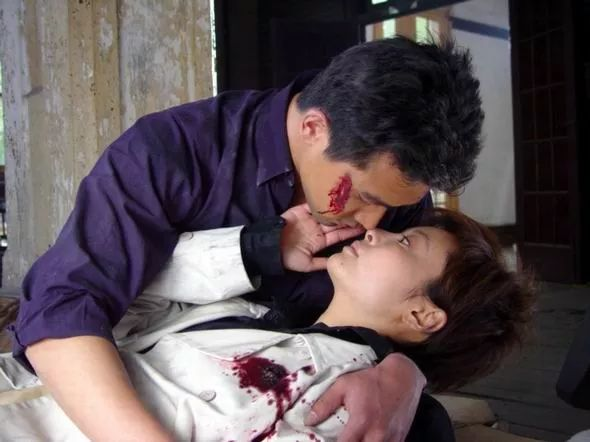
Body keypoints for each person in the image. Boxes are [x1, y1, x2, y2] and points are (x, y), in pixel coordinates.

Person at [9, 36, 484, 441]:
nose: (376, 224)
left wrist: (405, 374)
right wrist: (255, 248)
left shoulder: (394, 195)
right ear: (314, 128)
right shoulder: (172, 152)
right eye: (363, 196)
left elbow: (427, 319)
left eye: (394, 209)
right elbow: (64, 307)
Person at [0, 209, 534, 441]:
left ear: (422, 315)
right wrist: (256, 249)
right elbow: (119, 289)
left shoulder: (346, 399)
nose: (374, 233)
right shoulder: (256, 317)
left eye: (406, 242)